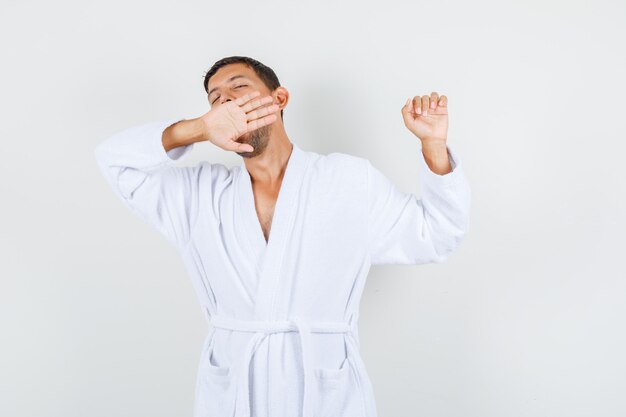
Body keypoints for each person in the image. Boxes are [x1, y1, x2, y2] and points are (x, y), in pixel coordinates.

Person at [94, 55, 471, 417]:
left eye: (239, 88)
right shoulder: (198, 194)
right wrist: (197, 128)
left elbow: (437, 234)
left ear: (279, 98)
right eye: (216, 100)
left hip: (325, 391)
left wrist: (433, 146)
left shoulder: (348, 181)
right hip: (236, 390)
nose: (227, 103)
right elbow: (113, 160)